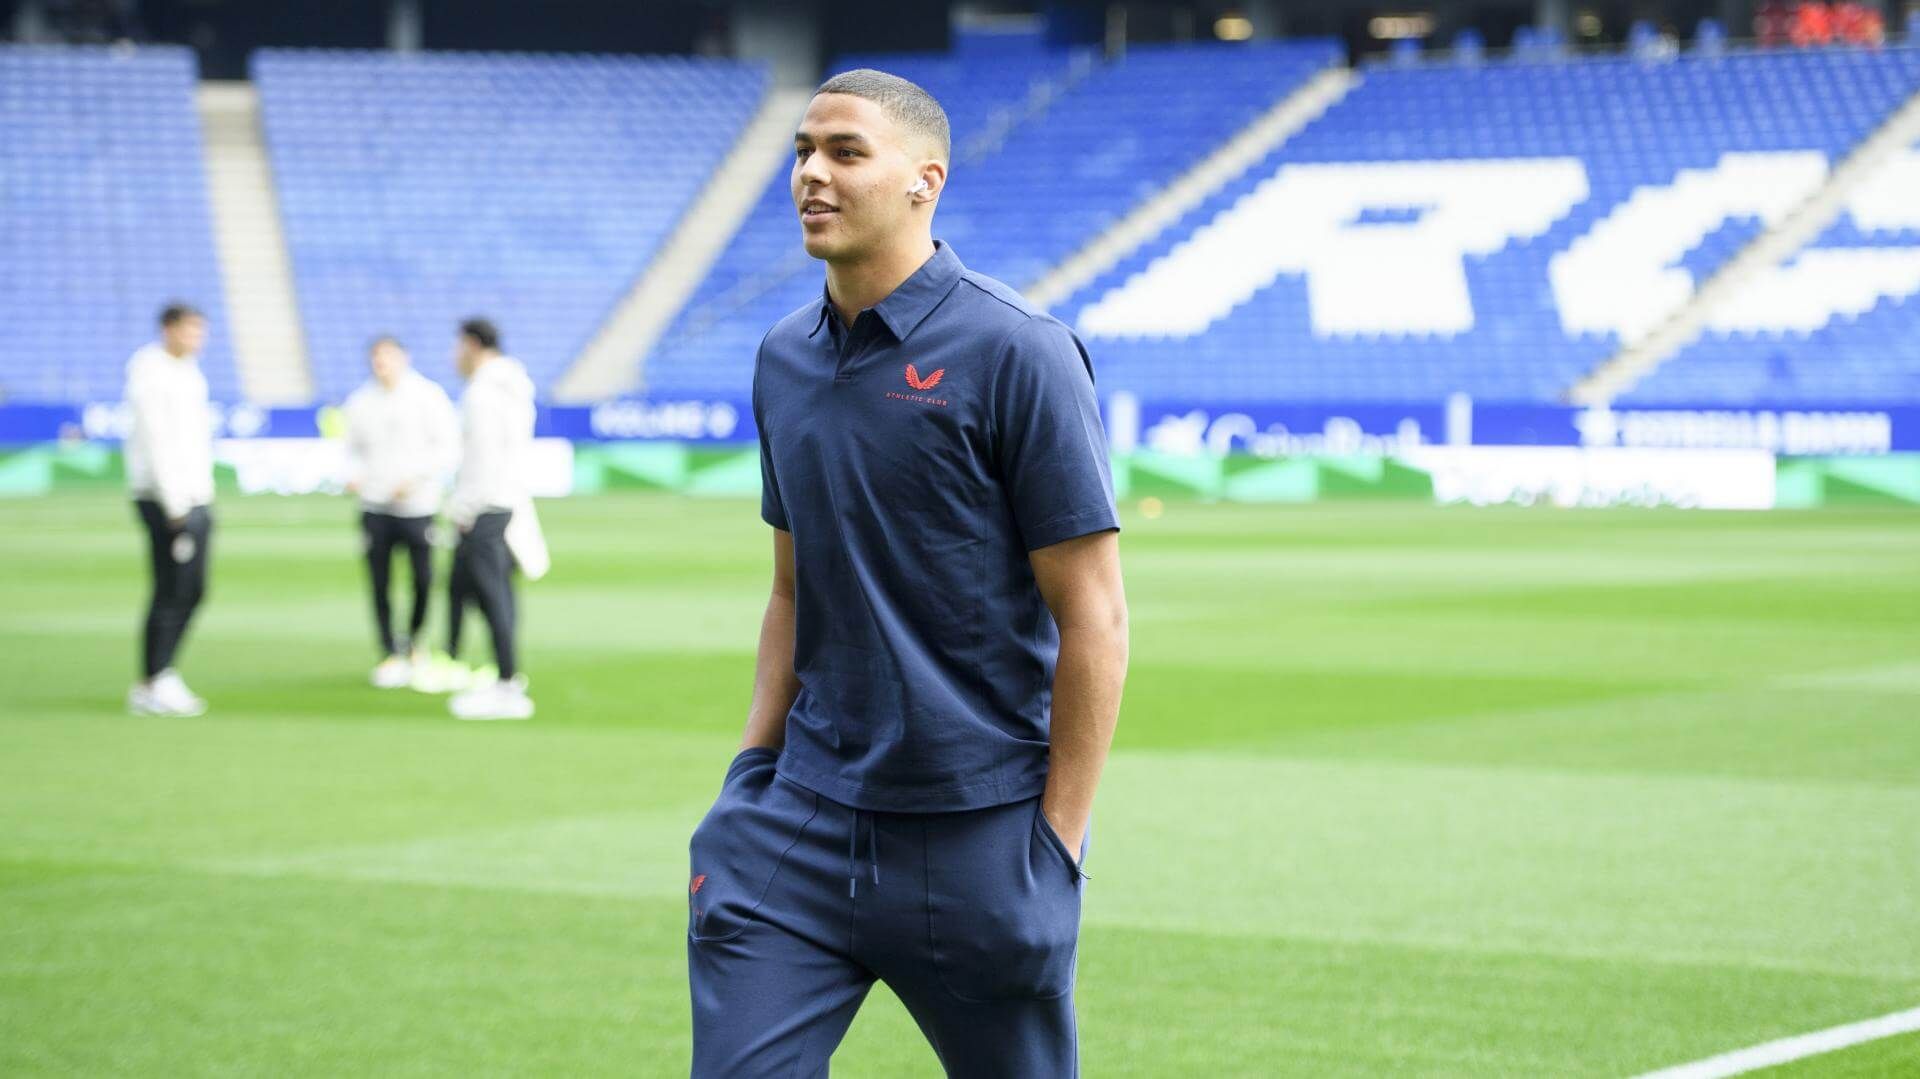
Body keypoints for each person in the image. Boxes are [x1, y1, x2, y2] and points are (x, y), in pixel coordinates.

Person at [686, 70, 1129, 1076]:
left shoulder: (1019, 350)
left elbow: (1094, 614)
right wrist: (745, 786)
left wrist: (1055, 849)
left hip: (979, 839)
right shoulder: (782, 358)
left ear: (924, 180)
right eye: (802, 151)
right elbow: (790, 589)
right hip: (794, 827)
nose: (810, 173)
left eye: (845, 153)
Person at [343, 335, 458, 688]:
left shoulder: (428, 396)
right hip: (374, 506)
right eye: (376, 358)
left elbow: (447, 447)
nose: (382, 365)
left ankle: (415, 642)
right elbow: (349, 450)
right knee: (380, 583)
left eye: (388, 358)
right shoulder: (360, 402)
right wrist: (354, 476)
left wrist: (416, 478)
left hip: (417, 505)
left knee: (423, 580)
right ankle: (389, 651)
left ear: (404, 358)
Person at [124, 302, 215, 717]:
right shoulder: (151, 370)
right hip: (168, 501)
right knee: (172, 588)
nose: (197, 338)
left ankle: (161, 675)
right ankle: (154, 679)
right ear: (169, 329)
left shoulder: (190, 372)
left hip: (195, 496)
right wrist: (175, 503)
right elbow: (157, 441)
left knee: (192, 589)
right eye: (190, 330)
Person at [444, 317, 536, 721]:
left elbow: (480, 457)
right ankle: (502, 677)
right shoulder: (514, 385)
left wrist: (463, 509)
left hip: (485, 505)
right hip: (507, 499)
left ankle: (507, 682)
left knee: (491, 595)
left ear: (471, 344)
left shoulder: (481, 392)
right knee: (492, 593)